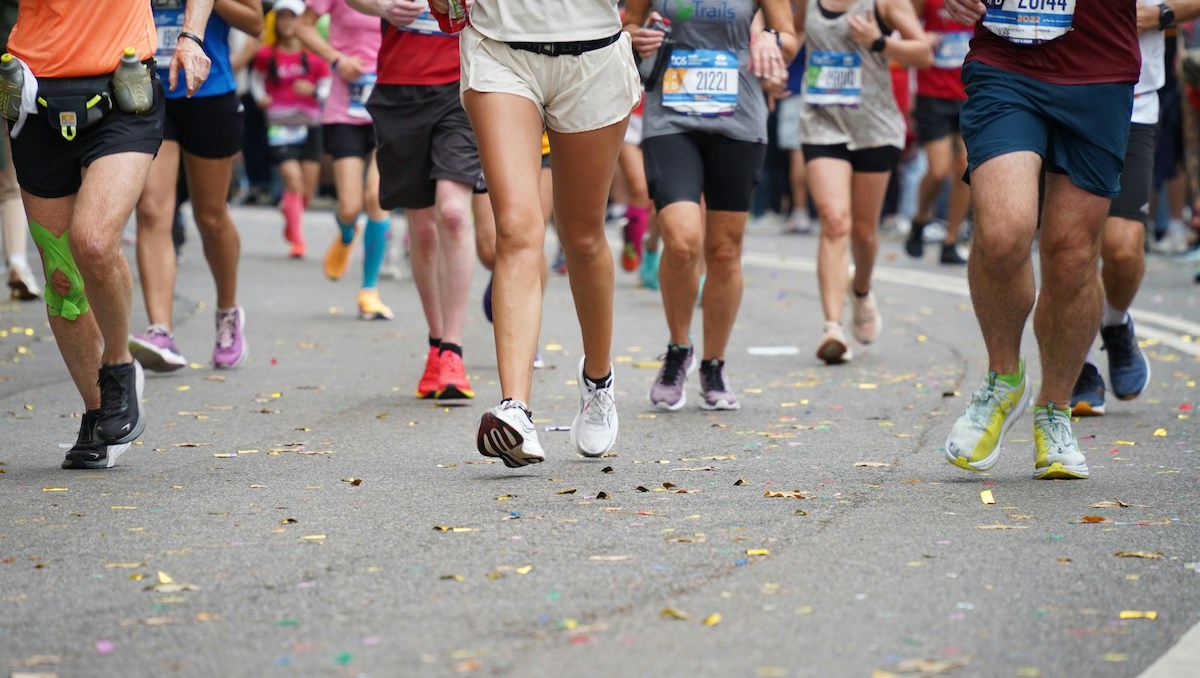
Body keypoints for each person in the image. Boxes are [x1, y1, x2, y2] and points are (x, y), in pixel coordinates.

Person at [6, 0, 212, 468]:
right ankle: (98, 410)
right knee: (62, 277)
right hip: (33, 97)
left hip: (122, 91)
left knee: (94, 242)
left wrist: (191, 36)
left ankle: (118, 366)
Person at [941, 0, 1139, 480]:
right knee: (1003, 230)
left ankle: (1055, 408)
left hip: (1098, 68)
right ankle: (1003, 380)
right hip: (1006, 60)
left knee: (1072, 254)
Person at [438, 0, 639, 466]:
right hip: (501, 47)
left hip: (593, 54)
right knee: (515, 227)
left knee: (582, 236)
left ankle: (598, 381)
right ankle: (515, 410)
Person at [626, 2, 798, 412]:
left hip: (738, 119)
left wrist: (770, 40)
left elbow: (789, 38)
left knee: (723, 250)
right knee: (682, 240)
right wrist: (635, 37)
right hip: (671, 118)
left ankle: (713, 364)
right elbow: (628, 22)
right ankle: (678, 348)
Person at [1069, 0, 1200, 416]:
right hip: (1057, 96)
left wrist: (1161, 14)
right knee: (1070, 245)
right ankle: (1077, 363)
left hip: (1133, 100)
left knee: (1123, 248)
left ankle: (1115, 323)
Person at [349, 0, 479, 401]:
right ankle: (437, 344)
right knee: (423, 230)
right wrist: (383, 7)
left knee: (453, 214)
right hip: (400, 88)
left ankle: (453, 351)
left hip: (463, 83)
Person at [129, 0, 263, 373]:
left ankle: (227, 313)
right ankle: (161, 330)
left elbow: (255, 23)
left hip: (209, 90)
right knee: (152, 210)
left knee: (211, 216)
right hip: (147, 90)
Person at [797, 0, 932, 365]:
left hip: (874, 127)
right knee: (833, 220)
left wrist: (879, 41)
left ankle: (860, 290)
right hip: (822, 123)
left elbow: (923, 53)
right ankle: (832, 328)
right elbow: (793, 33)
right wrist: (775, 57)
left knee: (863, 232)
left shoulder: (884, 3)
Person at [297, 0, 396, 320]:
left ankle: (369, 291)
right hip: (345, 109)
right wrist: (337, 59)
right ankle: (346, 233)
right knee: (350, 207)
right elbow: (302, 26)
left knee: (377, 197)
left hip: (389, 103)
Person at [252, 0, 329, 259]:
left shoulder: (316, 56)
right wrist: (261, 97)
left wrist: (314, 90)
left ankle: (290, 211)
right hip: (279, 125)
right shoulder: (266, 55)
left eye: (292, 17)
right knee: (293, 181)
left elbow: (327, 87)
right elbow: (256, 80)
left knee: (306, 191)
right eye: (282, 17)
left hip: (310, 125)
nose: (287, 23)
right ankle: (298, 240)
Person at [903, 0, 971, 265]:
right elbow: (904, 24)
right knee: (939, 170)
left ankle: (951, 241)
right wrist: (921, 39)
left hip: (968, 93)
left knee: (964, 168)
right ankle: (920, 219)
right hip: (932, 94)